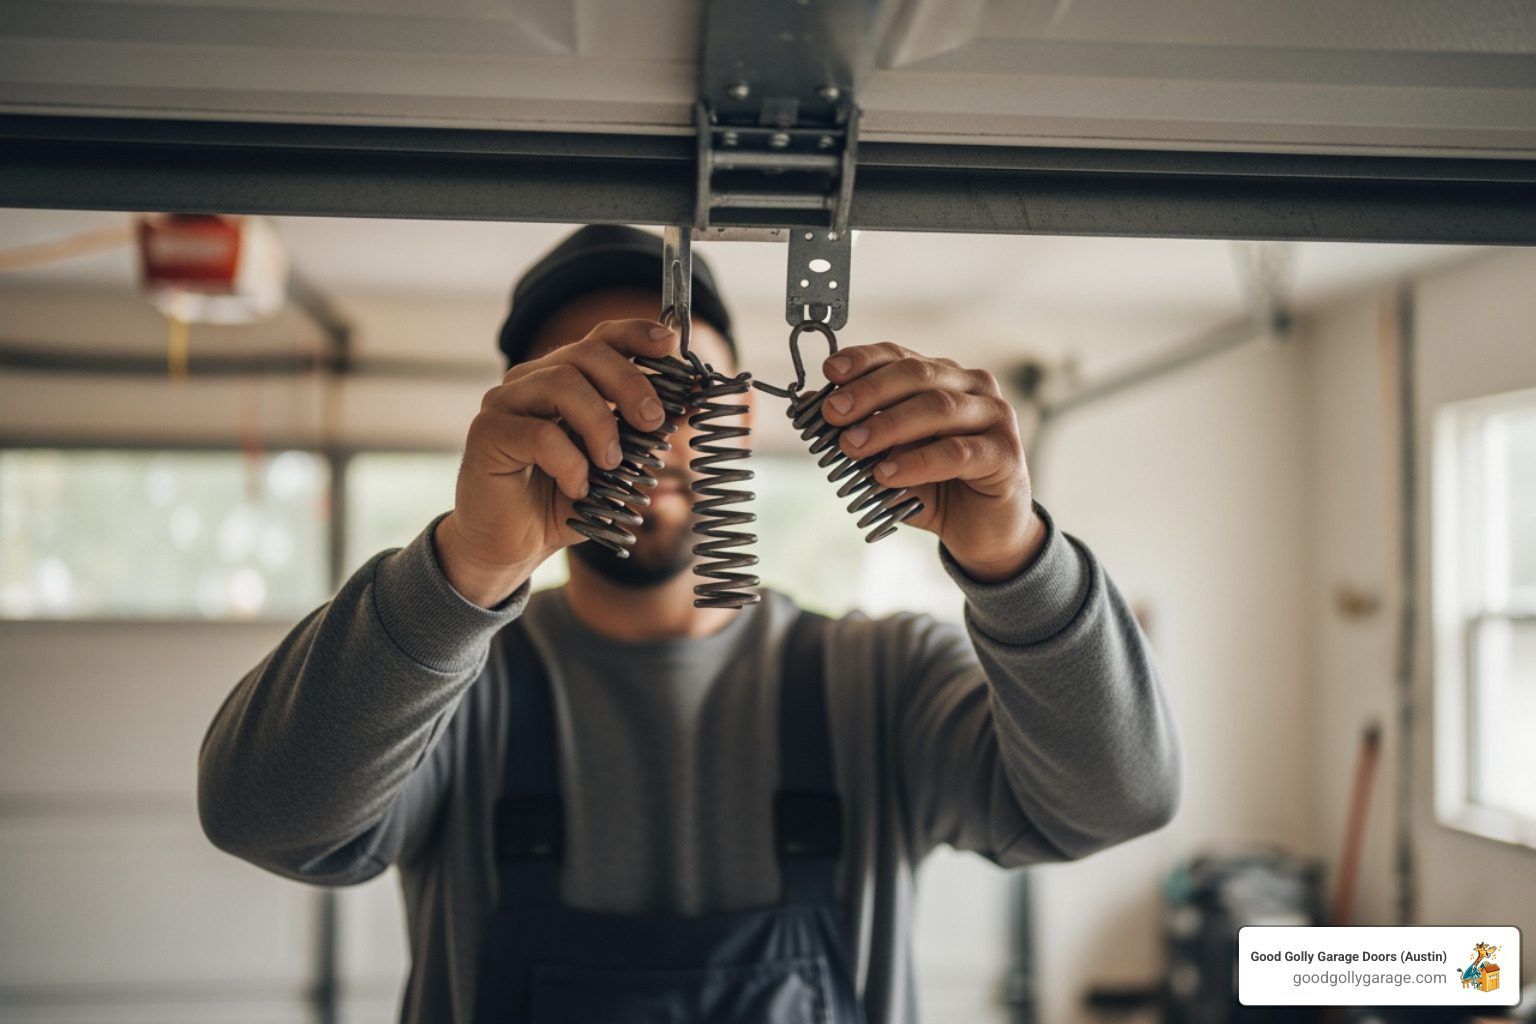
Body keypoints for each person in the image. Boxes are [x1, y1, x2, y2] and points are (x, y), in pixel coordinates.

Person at [199, 225, 1182, 1024]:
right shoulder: (448, 694)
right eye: (596, 385)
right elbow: (261, 814)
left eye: (679, 390)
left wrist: (1017, 560)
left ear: (741, 420)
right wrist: (471, 566)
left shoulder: (879, 679)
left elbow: (1115, 800)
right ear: (520, 415)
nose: (642, 426)